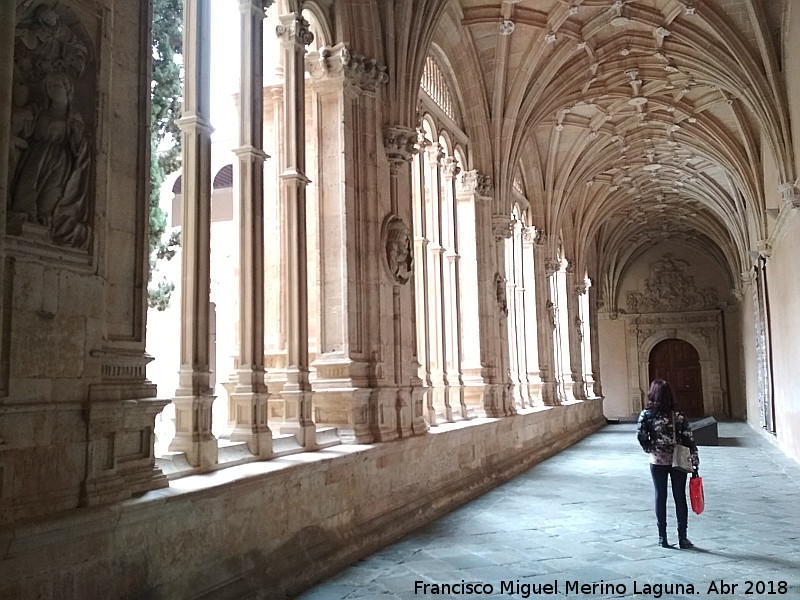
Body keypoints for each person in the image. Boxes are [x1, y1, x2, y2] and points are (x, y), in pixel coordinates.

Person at [637, 379, 699, 549]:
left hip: (657, 460)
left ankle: (662, 537)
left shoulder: (647, 414)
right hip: (677, 460)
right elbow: (688, 438)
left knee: (660, 496)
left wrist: (651, 449)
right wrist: (694, 460)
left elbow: (641, 436)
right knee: (680, 496)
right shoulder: (678, 415)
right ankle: (683, 537)